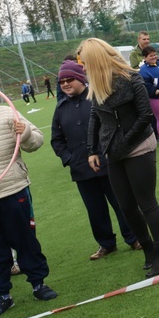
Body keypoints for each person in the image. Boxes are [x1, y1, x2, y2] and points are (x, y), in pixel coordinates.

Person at [80, 38, 159, 278]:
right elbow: (95, 117)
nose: (81, 66)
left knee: (146, 202)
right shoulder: (96, 84)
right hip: (114, 151)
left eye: (84, 61)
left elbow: (144, 115)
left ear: (95, 59)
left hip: (139, 144)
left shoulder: (132, 77)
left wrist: (123, 143)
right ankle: (149, 251)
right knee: (126, 206)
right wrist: (92, 149)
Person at [0, 82, 57, 318]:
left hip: (12, 189)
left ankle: (38, 284)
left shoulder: (6, 113)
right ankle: (3, 296)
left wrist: (24, 133)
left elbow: (36, 141)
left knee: (25, 239)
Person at [50, 60, 140, 260]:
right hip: (81, 169)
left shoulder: (97, 98)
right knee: (95, 210)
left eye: (69, 79)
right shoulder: (61, 107)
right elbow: (56, 139)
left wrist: (107, 152)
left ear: (80, 79)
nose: (65, 84)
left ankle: (134, 237)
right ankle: (106, 243)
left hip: (109, 164)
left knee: (121, 203)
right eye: (61, 81)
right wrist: (70, 159)